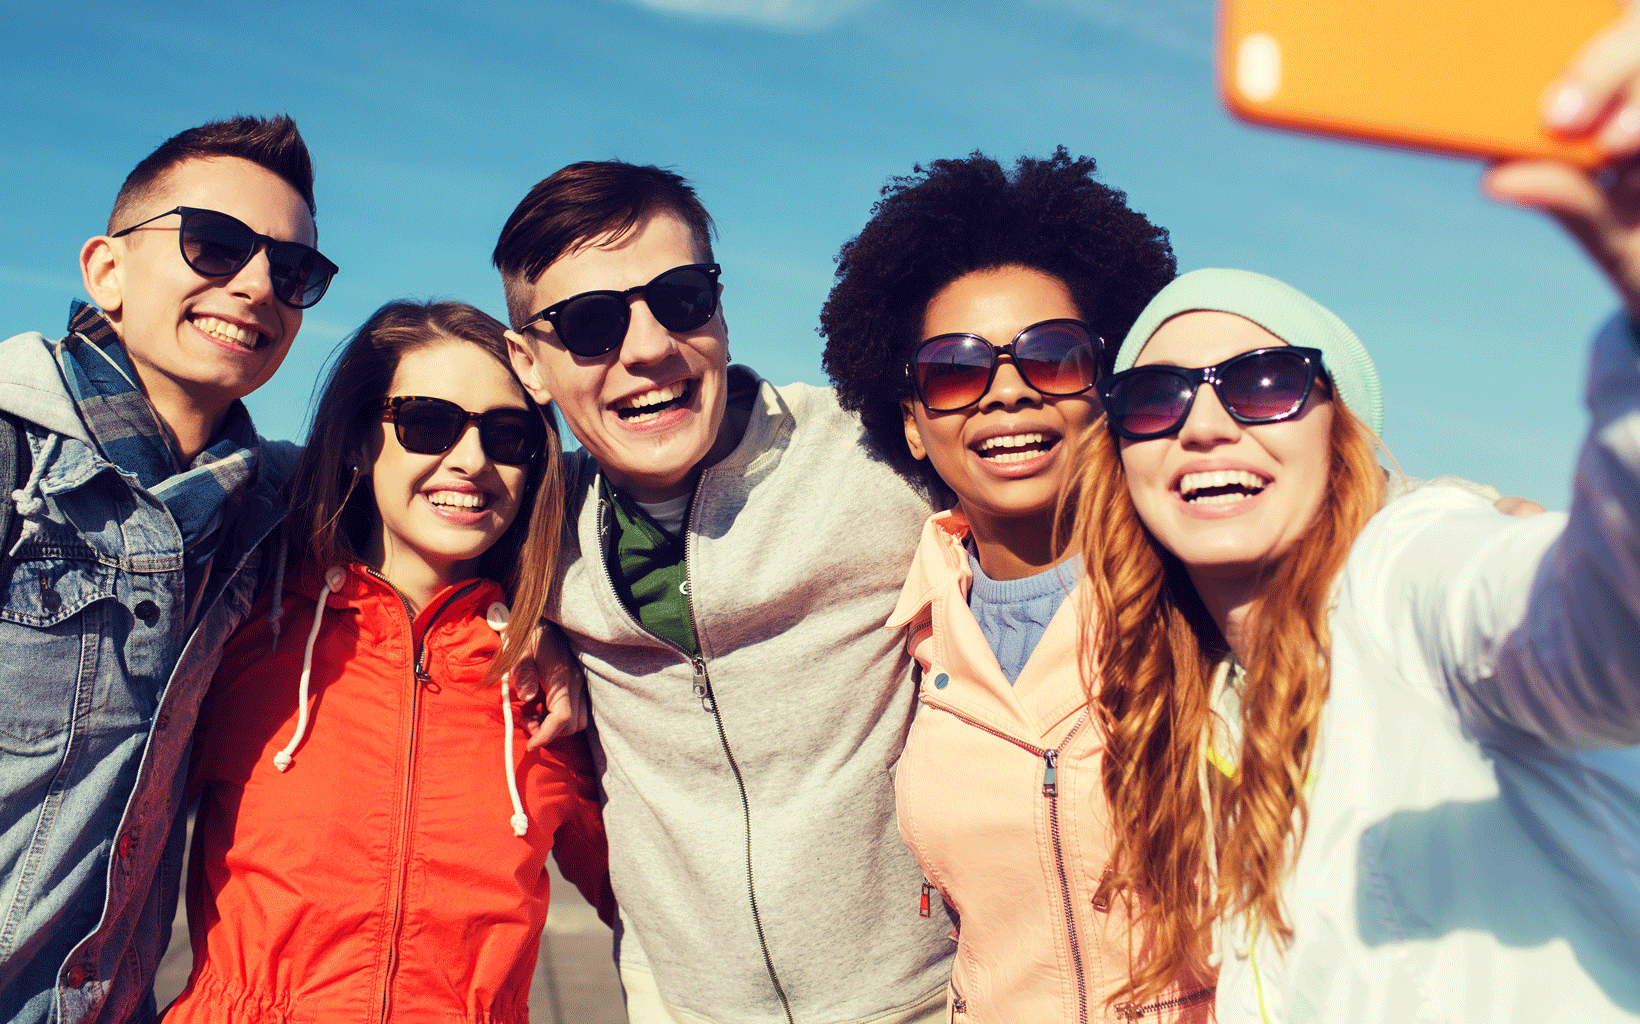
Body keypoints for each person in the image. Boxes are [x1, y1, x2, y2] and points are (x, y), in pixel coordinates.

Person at [1075, 0, 1640, 1022]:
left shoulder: (1407, 578)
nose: (1203, 423)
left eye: (1262, 382)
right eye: (1153, 397)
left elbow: (1631, 640)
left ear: (1343, 431)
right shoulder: (1210, 706)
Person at [0, 116, 336, 1022]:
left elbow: (469, 501)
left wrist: (533, 634)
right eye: (215, 245)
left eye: (295, 271)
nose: (260, 285)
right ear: (107, 270)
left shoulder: (271, 514)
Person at [494, 163, 952, 1024]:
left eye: (681, 298)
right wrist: (516, 625)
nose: (649, 347)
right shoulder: (527, 524)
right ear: (529, 363)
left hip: (928, 993)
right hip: (683, 1003)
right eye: (590, 323)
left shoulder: (877, 452)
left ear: (720, 308)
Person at [817, 149, 1221, 1022]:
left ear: (1107, 387)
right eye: (955, 370)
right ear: (914, 425)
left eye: (1053, 356)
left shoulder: (1209, 590)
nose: (1005, 392)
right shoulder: (913, 632)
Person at [161, 300, 613, 1023]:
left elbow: (653, 903)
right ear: (356, 440)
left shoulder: (547, 687)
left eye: (507, 435)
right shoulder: (246, 624)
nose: (471, 461)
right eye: (427, 423)